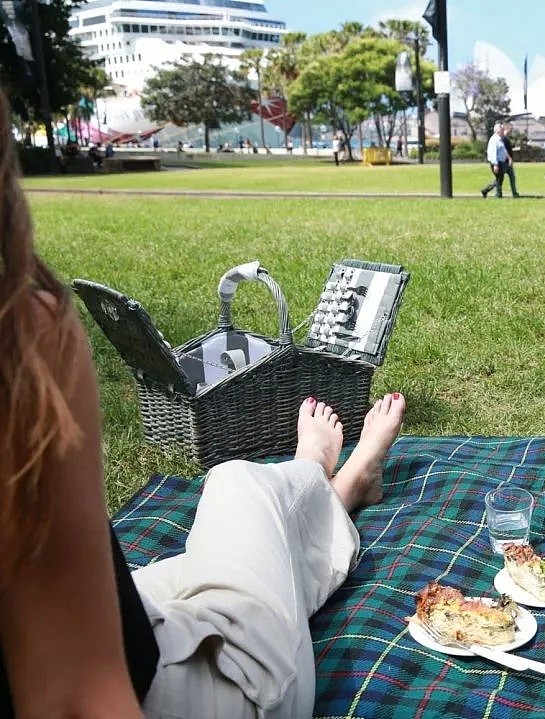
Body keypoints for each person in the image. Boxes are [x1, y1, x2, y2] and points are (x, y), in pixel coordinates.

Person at [0, 89, 408, 718]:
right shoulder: (19, 338)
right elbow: (73, 700)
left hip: (106, 628)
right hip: (176, 695)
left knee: (207, 562)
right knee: (235, 485)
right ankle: (326, 476)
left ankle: (327, 492)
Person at [481, 122, 508, 198]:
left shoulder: (499, 139)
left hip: (501, 162)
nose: (503, 131)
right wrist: (495, 164)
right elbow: (493, 153)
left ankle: (486, 190)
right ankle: (497, 194)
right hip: (496, 163)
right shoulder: (494, 140)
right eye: (502, 130)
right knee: (499, 179)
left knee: (499, 179)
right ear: (497, 131)